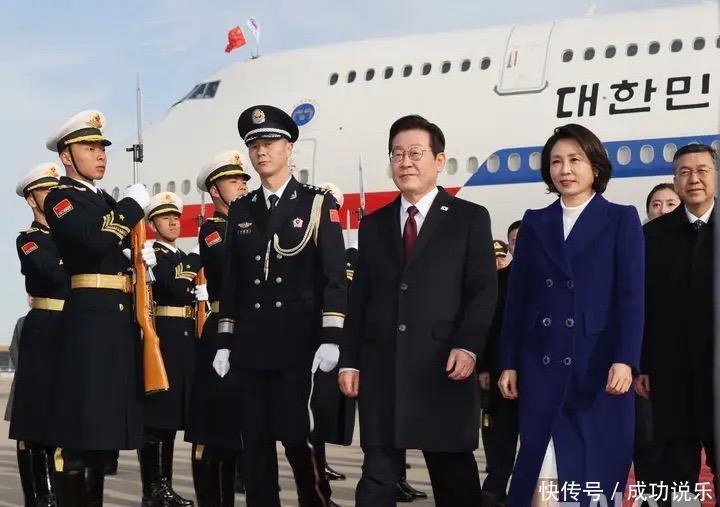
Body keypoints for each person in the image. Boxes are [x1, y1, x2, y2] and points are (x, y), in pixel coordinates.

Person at [339, 114, 497, 507]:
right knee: (376, 479)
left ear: (439, 161)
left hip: (442, 368)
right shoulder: (374, 225)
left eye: (415, 153)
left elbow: (482, 292)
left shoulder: (469, 218)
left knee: (454, 480)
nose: (405, 162)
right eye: (397, 154)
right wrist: (349, 361)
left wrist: (468, 345)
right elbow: (360, 299)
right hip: (383, 371)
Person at [498, 123, 644, 507]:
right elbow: (518, 301)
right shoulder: (535, 221)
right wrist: (509, 362)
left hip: (596, 364)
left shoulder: (621, 219)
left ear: (595, 165)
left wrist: (625, 359)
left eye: (575, 160)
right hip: (541, 362)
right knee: (541, 466)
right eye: (556, 161)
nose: (565, 169)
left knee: (593, 468)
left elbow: (631, 298)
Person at [214, 104, 346, 507]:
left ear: (289, 148)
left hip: (297, 345)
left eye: (270, 142)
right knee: (253, 442)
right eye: (254, 145)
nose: (261, 151)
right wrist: (225, 340)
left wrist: (331, 335)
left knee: (298, 439)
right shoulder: (242, 209)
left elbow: (333, 276)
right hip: (252, 345)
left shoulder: (316, 203)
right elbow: (233, 282)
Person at [43, 109, 155, 506]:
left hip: (116, 319)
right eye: (89, 148)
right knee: (81, 432)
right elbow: (93, 242)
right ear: (67, 156)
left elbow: (110, 245)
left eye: (102, 148)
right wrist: (131, 207)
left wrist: (138, 257)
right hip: (89, 320)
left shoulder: (102, 199)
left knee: (102, 436)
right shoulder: (61, 198)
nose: (100, 155)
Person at [637, 143, 718, 505]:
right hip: (671, 377)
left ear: (715, 176)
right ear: (675, 179)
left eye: (702, 170)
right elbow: (642, 306)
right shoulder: (654, 236)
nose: (693, 179)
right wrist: (642, 364)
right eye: (684, 172)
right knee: (674, 473)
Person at [187, 150, 251, 507]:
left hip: (250, 332)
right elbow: (233, 267)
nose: (241, 185)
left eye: (243, 180)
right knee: (213, 427)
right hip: (222, 330)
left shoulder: (248, 226)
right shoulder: (213, 230)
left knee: (239, 426)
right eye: (233, 181)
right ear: (215, 191)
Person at [137, 192, 201, 507]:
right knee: (159, 420)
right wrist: (196, 259)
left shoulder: (179, 256)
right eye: (165, 218)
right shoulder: (153, 254)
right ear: (153, 224)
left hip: (186, 340)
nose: (173, 222)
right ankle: (154, 490)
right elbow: (173, 286)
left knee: (172, 421)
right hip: (166, 340)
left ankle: (164, 487)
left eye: (175, 216)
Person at [10, 163, 68, 507]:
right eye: (47, 191)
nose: (54, 198)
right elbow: (50, 272)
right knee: (38, 414)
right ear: (32, 199)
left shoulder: (71, 237)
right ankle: (43, 494)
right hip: (45, 327)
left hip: (75, 326)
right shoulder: (29, 240)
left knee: (68, 412)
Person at [478, 221, 522, 507]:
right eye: (515, 240)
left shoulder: (549, 278)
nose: (521, 244)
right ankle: (493, 490)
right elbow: (486, 326)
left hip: (538, 371)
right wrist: (483, 366)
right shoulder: (499, 279)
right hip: (500, 369)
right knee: (501, 433)